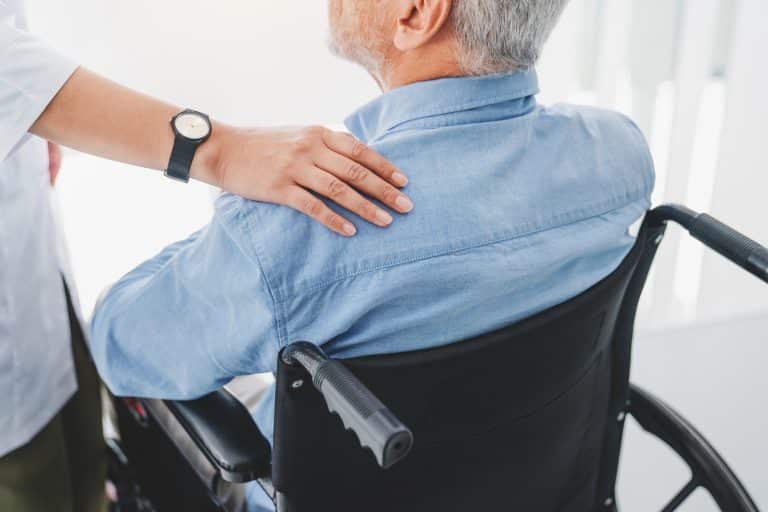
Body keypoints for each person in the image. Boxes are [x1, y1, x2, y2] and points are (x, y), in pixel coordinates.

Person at [90, 0, 656, 510]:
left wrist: (233, 205)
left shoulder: (290, 227)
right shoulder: (617, 152)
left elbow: (119, 344)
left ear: (417, 13)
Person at [0, 0, 414, 511]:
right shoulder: (547, 163)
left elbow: (122, 346)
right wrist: (223, 148)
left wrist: (225, 156)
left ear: (420, 12)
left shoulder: (280, 230)